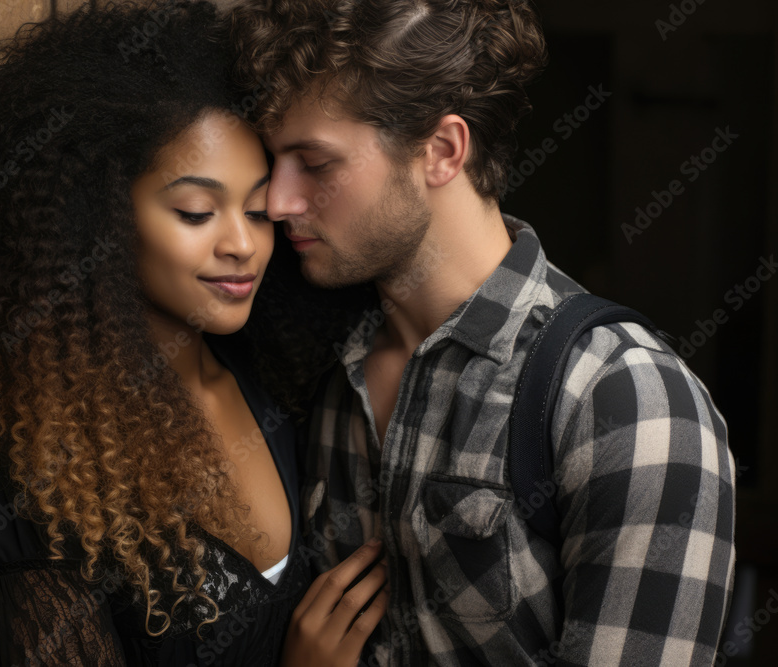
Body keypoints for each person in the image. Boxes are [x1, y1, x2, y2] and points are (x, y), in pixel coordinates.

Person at [229, 0, 737, 664]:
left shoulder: (624, 399)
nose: (277, 200)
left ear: (442, 150)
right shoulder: (327, 374)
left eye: (316, 164)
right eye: (275, 162)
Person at [0, 1, 388, 665]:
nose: (243, 243)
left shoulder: (279, 383)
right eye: (196, 211)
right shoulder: (27, 482)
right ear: (98, 219)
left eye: (258, 208)